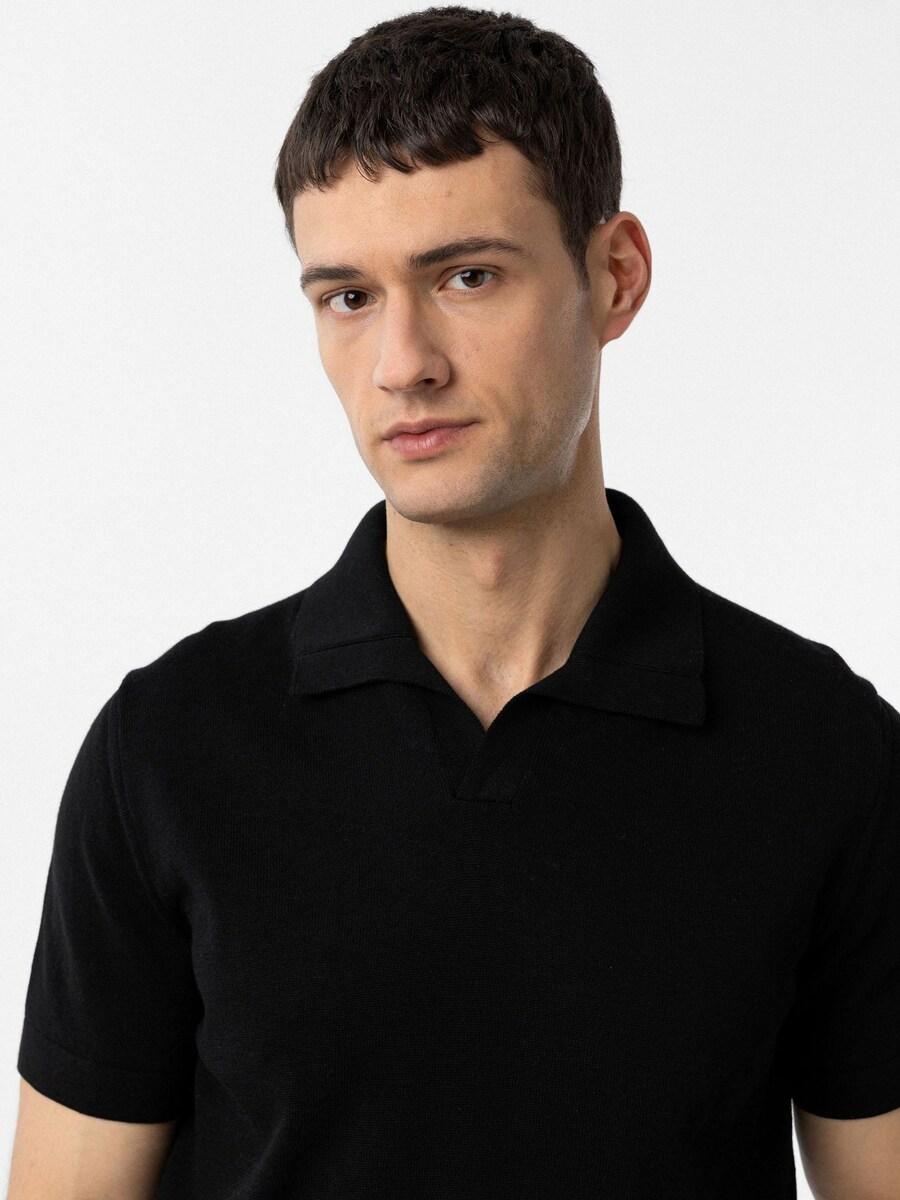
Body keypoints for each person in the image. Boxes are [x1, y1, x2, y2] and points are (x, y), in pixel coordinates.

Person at [9, 6, 900, 1198]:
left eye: (467, 276)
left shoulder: (823, 751)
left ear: (615, 276)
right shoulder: (169, 748)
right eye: (347, 297)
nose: (402, 364)